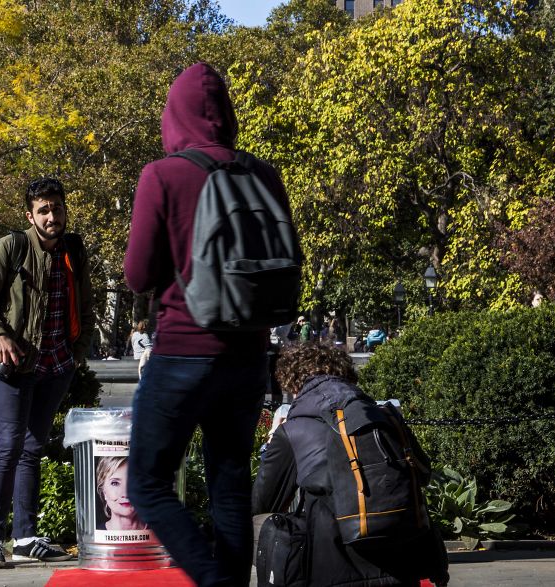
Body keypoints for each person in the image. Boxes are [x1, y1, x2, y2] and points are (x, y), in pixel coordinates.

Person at [123, 62, 291, 587]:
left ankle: (216, 583)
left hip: (182, 352)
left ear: (173, 115)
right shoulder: (264, 175)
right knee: (230, 481)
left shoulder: (163, 174)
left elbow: (138, 275)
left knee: (147, 483)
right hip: (248, 357)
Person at [0, 177, 94, 568]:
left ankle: (25, 536)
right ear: (30, 215)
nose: (52, 215)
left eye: (57, 207)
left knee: (33, 449)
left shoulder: (74, 250)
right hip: (14, 367)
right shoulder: (12, 248)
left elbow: (86, 308)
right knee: (8, 447)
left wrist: (77, 354)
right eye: (44, 210)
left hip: (57, 365)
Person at [253, 342, 449, 586]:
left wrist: (269, 447)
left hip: (331, 564)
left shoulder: (292, 430)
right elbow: (423, 473)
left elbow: (263, 501)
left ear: (293, 382)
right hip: (402, 560)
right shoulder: (383, 416)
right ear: (346, 374)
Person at [95, 456, 147, 531]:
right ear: (103, 491)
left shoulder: (160, 533)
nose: (125, 494)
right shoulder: (94, 535)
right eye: (115, 483)